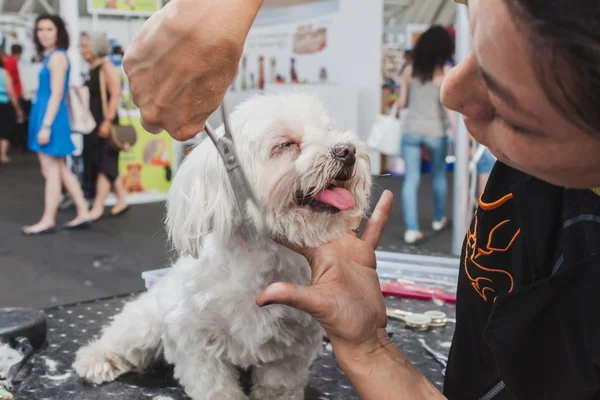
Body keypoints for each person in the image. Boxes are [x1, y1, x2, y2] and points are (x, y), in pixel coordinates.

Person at [125, 0, 600, 398]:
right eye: (478, 48)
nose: (452, 93)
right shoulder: (532, 178)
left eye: (504, 91)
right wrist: (368, 345)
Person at [24, 15, 92, 235]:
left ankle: (48, 219)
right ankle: (83, 211)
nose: (43, 33)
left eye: (49, 29)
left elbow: (57, 94)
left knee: (51, 169)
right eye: (40, 29)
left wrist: (45, 126)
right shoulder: (52, 56)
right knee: (59, 168)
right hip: (47, 115)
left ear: (58, 32)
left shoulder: (58, 58)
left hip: (50, 117)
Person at [398, 26, 456, 244]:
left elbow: (402, 103)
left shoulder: (409, 70)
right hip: (435, 132)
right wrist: (460, 137)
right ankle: (438, 219)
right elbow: (449, 110)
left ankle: (411, 229)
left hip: (411, 130)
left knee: (410, 180)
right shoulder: (445, 72)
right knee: (439, 177)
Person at [80, 32, 129, 221]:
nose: (82, 50)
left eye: (85, 45)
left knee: (103, 164)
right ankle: (122, 200)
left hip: (104, 121)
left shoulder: (106, 67)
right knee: (104, 163)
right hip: (93, 123)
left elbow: (116, 94)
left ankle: (98, 206)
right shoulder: (93, 68)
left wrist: (107, 121)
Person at [0, 55, 24, 163]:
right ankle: (3, 155)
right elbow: (11, 92)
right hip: (4, 104)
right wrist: (18, 108)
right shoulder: (4, 73)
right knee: (5, 129)